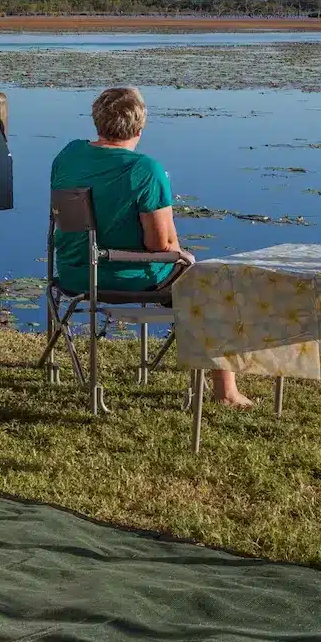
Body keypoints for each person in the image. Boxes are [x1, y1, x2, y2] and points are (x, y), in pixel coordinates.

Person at [50, 86, 253, 407]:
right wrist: (183, 253)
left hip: (73, 274)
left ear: (96, 122)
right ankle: (226, 392)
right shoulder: (144, 170)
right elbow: (161, 244)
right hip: (125, 277)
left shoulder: (68, 154)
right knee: (212, 285)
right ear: (140, 129)